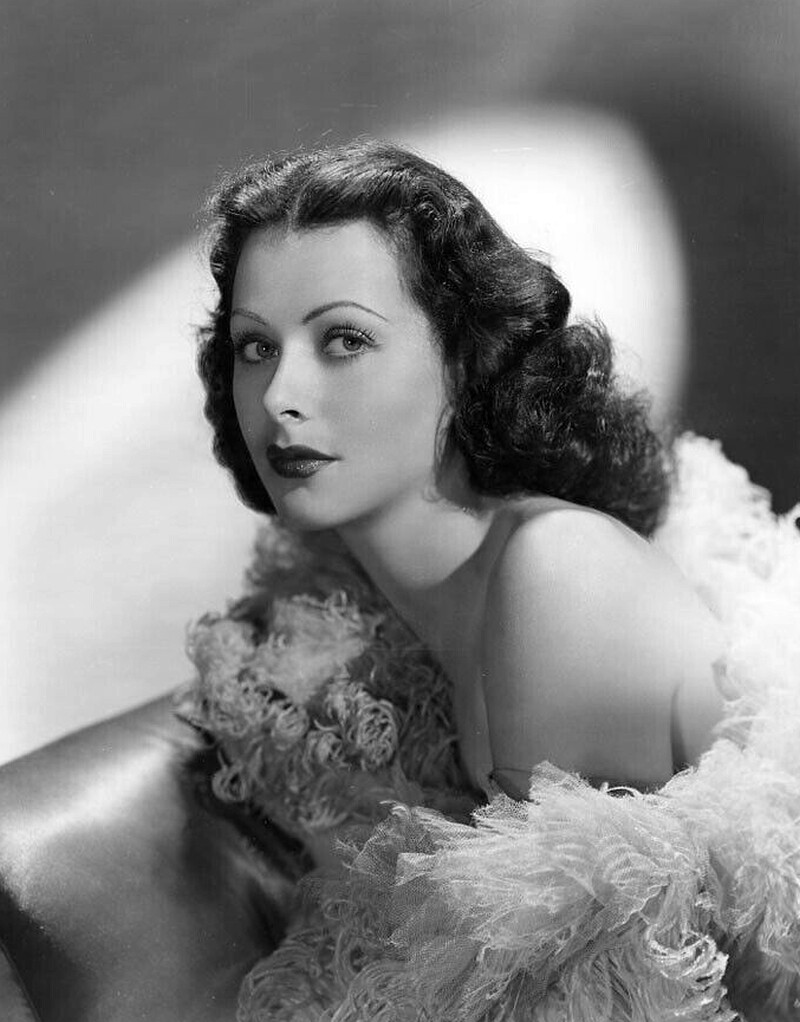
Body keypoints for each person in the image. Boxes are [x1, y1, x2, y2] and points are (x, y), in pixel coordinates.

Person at [181, 140, 800, 1020]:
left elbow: (590, 997)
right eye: (255, 347)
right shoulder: (367, 595)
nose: (281, 394)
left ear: (466, 360)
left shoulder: (557, 573)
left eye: (344, 339)